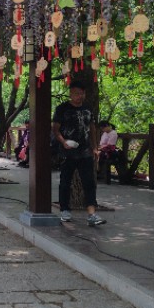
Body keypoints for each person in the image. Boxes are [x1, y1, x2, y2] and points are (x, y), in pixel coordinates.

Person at [52, 81, 105, 226]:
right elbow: (55, 129)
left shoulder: (88, 109)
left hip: (85, 151)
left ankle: (92, 214)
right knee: (65, 182)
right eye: (76, 94)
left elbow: (92, 128)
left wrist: (94, 147)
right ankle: (64, 210)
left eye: (82, 94)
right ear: (70, 94)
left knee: (89, 182)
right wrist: (63, 142)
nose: (79, 96)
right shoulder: (62, 109)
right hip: (67, 151)